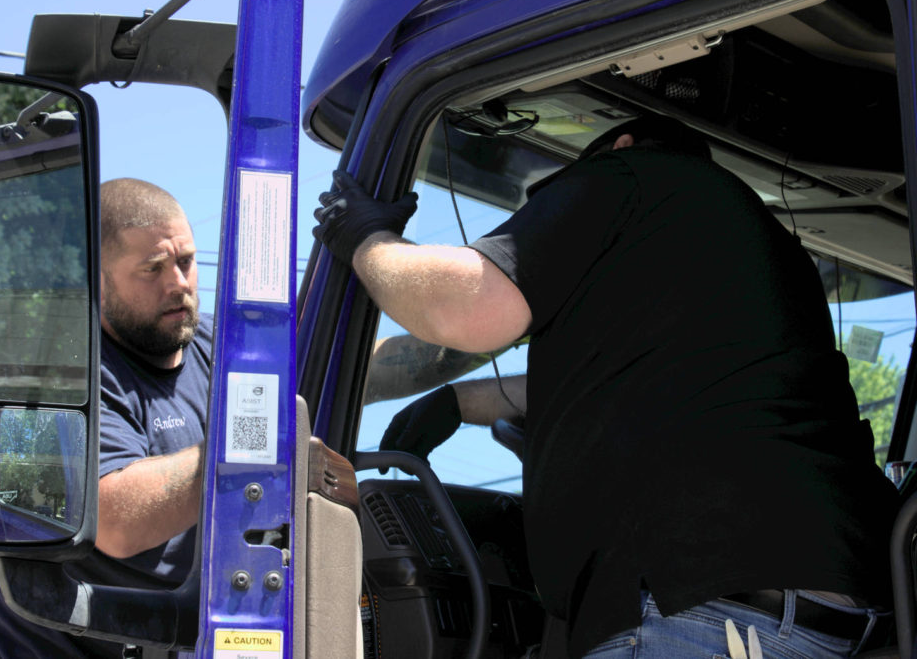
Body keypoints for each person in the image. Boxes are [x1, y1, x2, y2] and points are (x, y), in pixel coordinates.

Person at [314, 116, 900, 657]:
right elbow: (618, 379)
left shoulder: (629, 175)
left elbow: (463, 310)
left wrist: (365, 237)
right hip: (830, 614)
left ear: (618, 146)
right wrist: (459, 403)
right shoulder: (749, 254)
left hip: (705, 613)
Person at [0, 178, 210, 658]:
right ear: (92, 278)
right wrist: (254, 453)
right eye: (153, 268)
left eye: (185, 262)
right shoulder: (53, 372)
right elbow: (115, 520)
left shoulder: (218, 352)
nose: (178, 283)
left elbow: (323, 368)